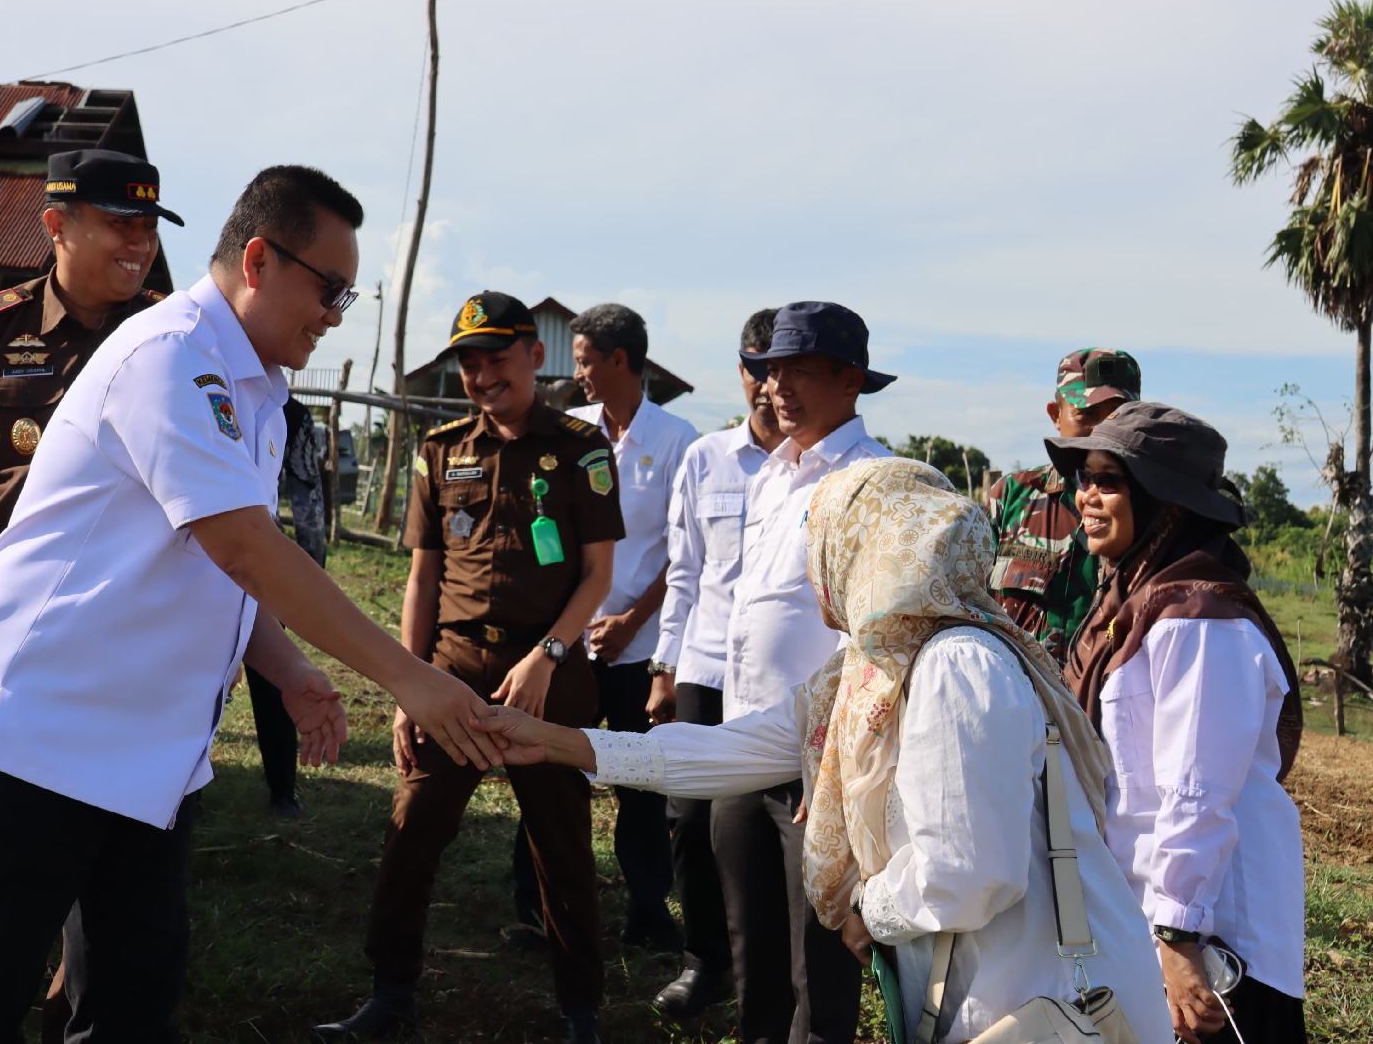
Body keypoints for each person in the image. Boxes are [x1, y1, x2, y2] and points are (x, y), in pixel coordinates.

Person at [0, 165, 506, 1043]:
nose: (335, 314)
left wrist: (288, 667)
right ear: (258, 259)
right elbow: (248, 547)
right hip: (39, 736)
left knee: (131, 1000)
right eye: (329, 289)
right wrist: (410, 679)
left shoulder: (254, 383)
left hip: (146, 756)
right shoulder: (172, 357)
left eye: (347, 294)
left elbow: (219, 567)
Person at [475, 457, 1176, 1044]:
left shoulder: (955, 666)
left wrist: (867, 908)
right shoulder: (865, 675)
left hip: (1053, 1002)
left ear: (868, 545)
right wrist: (561, 745)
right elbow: (726, 753)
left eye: (822, 538)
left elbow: (970, 873)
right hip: (1000, 1000)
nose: (814, 564)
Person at [0, 147, 181, 1038]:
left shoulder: (169, 339)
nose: (139, 245)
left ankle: (60, 996)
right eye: (118, 224)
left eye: (148, 227)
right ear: (56, 224)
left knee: (109, 848)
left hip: (121, 636)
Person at [312, 292, 622, 1044]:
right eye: (471, 364)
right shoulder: (441, 448)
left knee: (562, 845)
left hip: (544, 673)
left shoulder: (581, 447)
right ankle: (390, 993)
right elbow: (422, 577)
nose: (484, 377)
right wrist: (403, 685)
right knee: (412, 827)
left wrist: (549, 655)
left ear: (535, 357)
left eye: (498, 360)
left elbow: (598, 574)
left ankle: (581, 1010)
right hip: (450, 669)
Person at [1048, 401, 1307, 1044]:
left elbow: (1197, 790)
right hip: (1161, 922)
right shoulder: (1140, 602)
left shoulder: (1199, 618)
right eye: (1084, 478)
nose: (1086, 496)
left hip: (1218, 944)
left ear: (1163, 501)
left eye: (1110, 480)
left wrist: (1178, 934)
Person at [713, 300, 891, 1044]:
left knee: (816, 957)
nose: (777, 387)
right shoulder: (770, 476)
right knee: (748, 938)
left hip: (815, 764)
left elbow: (882, 640)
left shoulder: (876, 481)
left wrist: (835, 773)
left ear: (849, 380)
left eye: (798, 371)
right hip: (743, 739)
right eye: (769, 369)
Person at [540, 302, 698, 951]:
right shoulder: (570, 433)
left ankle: (648, 909)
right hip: (571, 641)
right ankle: (542, 904)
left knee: (640, 781)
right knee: (552, 771)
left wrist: (633, 618)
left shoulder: (677, 440)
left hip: (643, 644)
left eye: (583, 361)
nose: (576, 372)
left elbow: (685, 549)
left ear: (619, 361)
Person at [644, 307, 783, 1019]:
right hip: (705, 665)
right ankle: (706, 963)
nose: (767, 384)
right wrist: (663, 667)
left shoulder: (819, 469)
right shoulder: (707, 458)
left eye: (778, 369)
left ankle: (772, 973)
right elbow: (686, 572)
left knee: (765, 831)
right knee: (691, 821)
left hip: (781, 680)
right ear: (742, 370)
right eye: (755, 367)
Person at [985, 348, 1142, 663]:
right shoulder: (1012, 496)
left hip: (1104, 702)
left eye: (1117, 417)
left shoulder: (1146, 504)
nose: (1102, 431)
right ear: (1055, 415)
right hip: (1019, 697)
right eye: (1086, 414)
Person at [248, 396, 329, 817]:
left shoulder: (290, 413)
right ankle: (281, 793)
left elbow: (306, 492)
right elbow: (309, 496)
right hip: (241, 559)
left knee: (276, 677)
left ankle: (283, 785)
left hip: (265, 562)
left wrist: (307, 573)